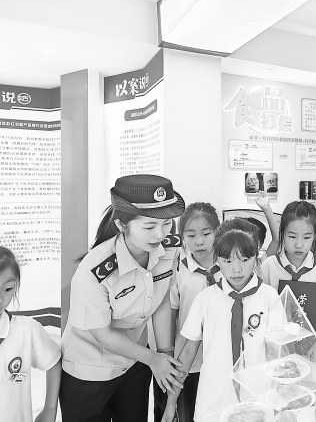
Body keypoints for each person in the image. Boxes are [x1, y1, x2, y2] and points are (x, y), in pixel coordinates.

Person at [60, 174, 185, 422]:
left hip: (134, 362)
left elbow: (160, 300)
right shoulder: (94, 270)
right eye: (149, 227)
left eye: (167, 224)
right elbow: (102, 334)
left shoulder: (169, 248)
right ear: (121, 224)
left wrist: (164, 355)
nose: (160, 234)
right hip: (90, 370)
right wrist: (153, 359)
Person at [162, 229, 283, 422]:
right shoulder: (206, 298)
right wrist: (171, 402)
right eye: (228, 261)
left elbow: (277, 351)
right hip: (215, 397)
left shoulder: (269, 297)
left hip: (258, 395)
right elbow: (188, 352)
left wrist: (280, 397)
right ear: (217, 261)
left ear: (256, 259)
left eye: (244, 260)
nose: (237, 269)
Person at [260, 201, 316, 352]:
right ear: (282, 234)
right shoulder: (269, 266)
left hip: (315, 349)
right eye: (292, 236)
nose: (299, 244)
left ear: (315, 236)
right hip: (278, 350)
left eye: (306, 237)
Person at [169, 203, 220, 422]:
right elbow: (171, 312)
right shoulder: (177, 269)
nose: (199, 241)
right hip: (188, 362)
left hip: (221, 358)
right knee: (188, 413)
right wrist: (170, 352)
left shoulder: (230, 266)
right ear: (182, 237)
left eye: (206, 234)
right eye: (191, 235)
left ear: (218, 231)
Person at [0, 246, 61, 422]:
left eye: (8, 289)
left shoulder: (26, 330)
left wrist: (50, 409)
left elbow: (54, 362)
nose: (0, 299)